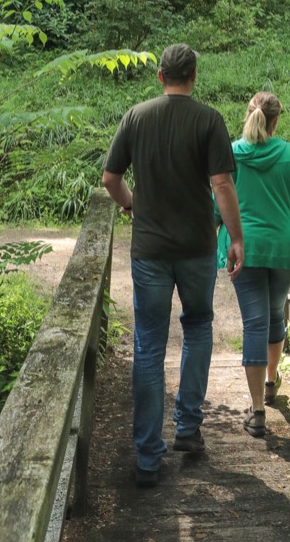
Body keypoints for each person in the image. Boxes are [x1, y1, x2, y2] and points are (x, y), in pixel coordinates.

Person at [102, 44, 244, 488]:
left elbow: (110, 178)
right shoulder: (209, 120)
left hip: (150, 250)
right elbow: (221, 182)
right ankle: (187, 428)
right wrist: (236, 238)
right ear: (193, 76)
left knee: (148, 345)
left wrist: (131, 207)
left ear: (160, 76)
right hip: (198, 247)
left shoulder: (136, 116)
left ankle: (147, 458)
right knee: (199, 326)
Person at [218, 91, 290, 439]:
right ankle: (272, 381)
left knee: (254, 322)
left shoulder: (231, 154)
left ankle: (257, 411)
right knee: (274, 312)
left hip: (246, 248)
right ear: (276, 120)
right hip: (283, 247)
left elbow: (219, 196)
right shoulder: (289, 154)